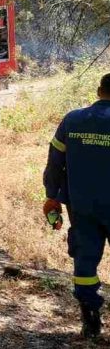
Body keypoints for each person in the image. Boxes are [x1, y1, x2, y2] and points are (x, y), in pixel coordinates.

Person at [42, 73, 110, 338]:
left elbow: (54, 163)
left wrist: (52, 196)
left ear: (98, 91)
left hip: (82, 207)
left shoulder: (72, 120)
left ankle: (90, 319)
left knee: (85, 262)